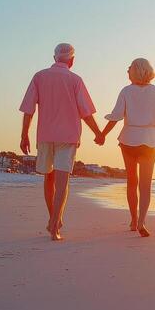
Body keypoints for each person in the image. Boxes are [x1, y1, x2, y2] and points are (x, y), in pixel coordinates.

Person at [19, 43, 102, 241]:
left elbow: (29, 109)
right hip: (68, 136)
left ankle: (53, 219)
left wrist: (24, 135)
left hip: (45, 135)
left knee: (49, 178)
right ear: (72, 60)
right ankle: (55, 225)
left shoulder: (39, 76)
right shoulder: (75, 80)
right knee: (62, 182)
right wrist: (98, 133)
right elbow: (86, 112)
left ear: (55, 57)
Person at [97, 58, 155, 237]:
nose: (127, 70)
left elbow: (116, 117)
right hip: (150, 140)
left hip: (129, 139)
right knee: (146, 185)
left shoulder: (126, 91)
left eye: (129, 68)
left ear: (136, 71)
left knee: (132, 182)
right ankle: (141, 221)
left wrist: (102, 134)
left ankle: (133, 220)